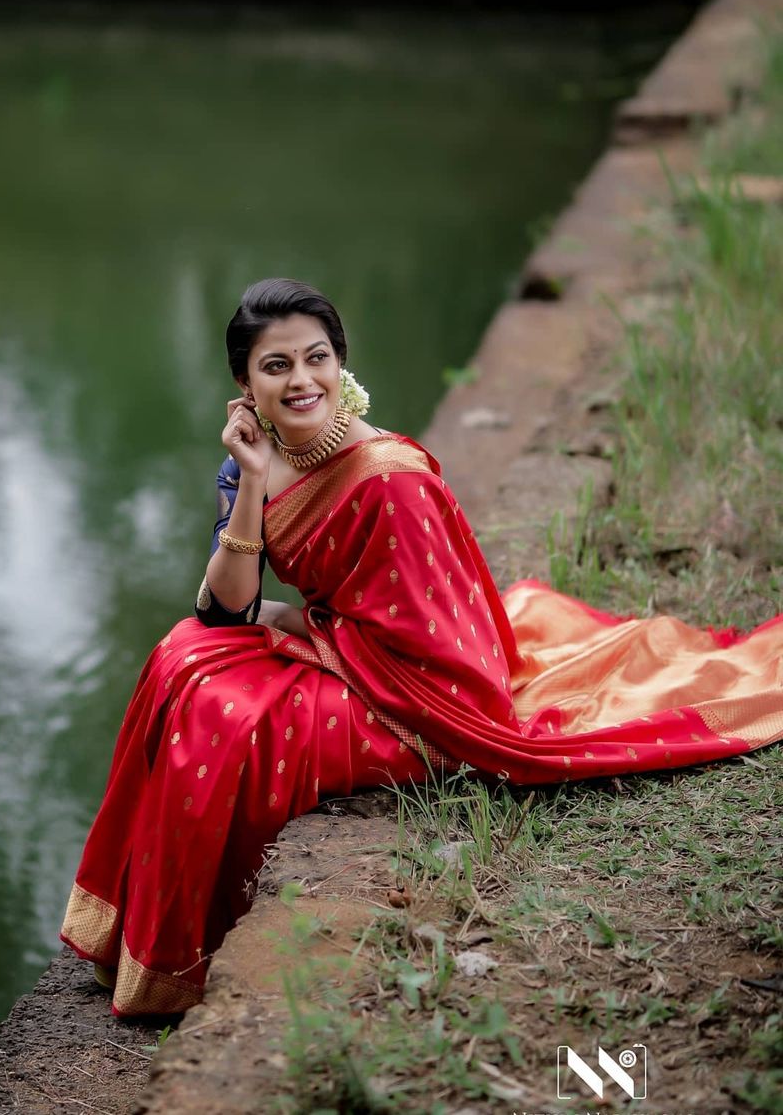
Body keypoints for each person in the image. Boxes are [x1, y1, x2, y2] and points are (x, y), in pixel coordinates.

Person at [60, 278, 782, 1017]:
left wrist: (297, 623)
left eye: (317, 358)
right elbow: (221, 607)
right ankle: (144, 937)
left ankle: (189, 952)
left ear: (341, 364)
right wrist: (249, 485)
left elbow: (436, 649)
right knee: (182, 657)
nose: (302, 381)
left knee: (224, 714)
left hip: (414, 696)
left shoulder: (389, 478)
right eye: (276, 367)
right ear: (244, 383)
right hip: (346, 656)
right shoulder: (250, 459)